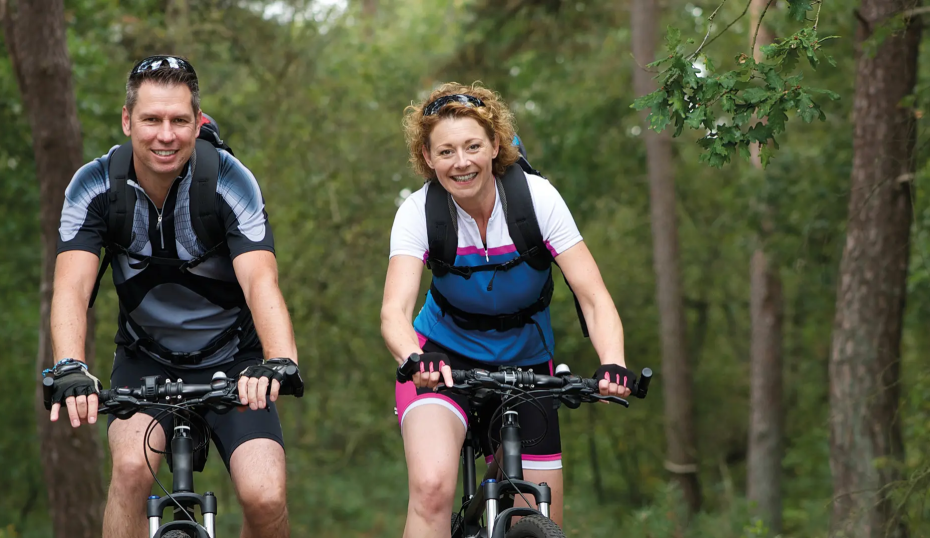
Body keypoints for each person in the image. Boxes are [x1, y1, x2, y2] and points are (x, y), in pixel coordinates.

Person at [46, 55, 300, 538]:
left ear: (197, 122)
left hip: (236, 362)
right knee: (129, 473)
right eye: (151, 120)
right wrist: (70, 367)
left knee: (264, 495)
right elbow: (71, 287)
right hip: (146, 362)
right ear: (127, 120)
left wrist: (280, 360)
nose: (166, 135)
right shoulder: (94, 184)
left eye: (179, 120)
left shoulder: (230, 180)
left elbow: (260, 280)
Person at [381, 82, 635, 537]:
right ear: (428, 156)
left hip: (527, 364)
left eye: (473, 146)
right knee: (432, 487)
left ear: (495, 145)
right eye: (446, 151)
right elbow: (393, 313)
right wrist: (414, 359)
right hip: (442, 361)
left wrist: (613, 363)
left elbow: (594, 297)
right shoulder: (419, 212)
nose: (461, 162)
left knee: (540, 516)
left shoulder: (537, 200)